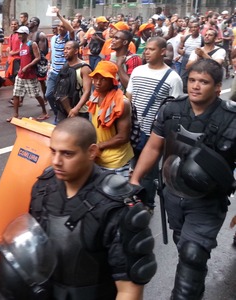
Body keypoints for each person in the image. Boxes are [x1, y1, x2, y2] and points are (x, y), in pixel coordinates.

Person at [2, 117, 156, 299]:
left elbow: (129, 290)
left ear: (91, 152)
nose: (56, 161)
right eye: (53, 152)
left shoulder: (117, 206)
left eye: (67, 154)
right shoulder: (44, 187)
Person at [130, 59, 236, 300]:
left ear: (218, 87)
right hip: (173, 196)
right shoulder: (171, 109)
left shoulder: (231, 118)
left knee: (192, 253)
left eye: (204, 82)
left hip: (208, 202)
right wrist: (135, 179)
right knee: (185, 249)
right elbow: (154, 146)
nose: (196, 86)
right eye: (192, 80)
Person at [126, 37, 183, 212]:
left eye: (151, 49)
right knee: (132, 166)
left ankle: (147, 204)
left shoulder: (173, 78)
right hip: (133, 130)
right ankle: (134, 198)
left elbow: (175, 110)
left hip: (154, 134)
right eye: (146, 49)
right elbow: (129, 97)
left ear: (163, 51)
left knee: (148, 173)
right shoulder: (137, 71)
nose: (146, 52)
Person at [87, 61, 133, 178]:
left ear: (112, 81)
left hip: (115, 161)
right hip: (98, 157)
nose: (97, 82)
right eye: (96, 78)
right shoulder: (95, 96)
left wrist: (99, 146)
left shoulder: (122, 103)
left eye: (103, 79)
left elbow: (123, 137)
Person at [7, 26, 48, 122]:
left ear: (26, 34)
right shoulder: (21, 45)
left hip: (30, 75)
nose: (19, 36)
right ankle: (16, 115)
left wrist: (27, 67)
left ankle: (44, 112)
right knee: (16, 94)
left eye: (21, 34)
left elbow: (37, 57)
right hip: (21, 75)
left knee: (36, 94)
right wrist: (21, 68)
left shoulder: (32, 44)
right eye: (18, 34)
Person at [45, 8, 74, 123]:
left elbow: (71, 30)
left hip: (64, 73)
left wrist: (59, 15)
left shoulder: (68, 39)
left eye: (63, 26)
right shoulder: (54, 38)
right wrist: (50, 64)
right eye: (59, 26)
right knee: (49, 95)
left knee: (63, 97)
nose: (61, 28)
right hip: (53, 72)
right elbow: (53, 53)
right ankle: (58, 114)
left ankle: (65, 116)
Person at [60, 40, 92, 119]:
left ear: (76, 51)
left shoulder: (84, 68)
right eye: (64, 49)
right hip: (65, 109)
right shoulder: (65, 66)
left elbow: (87, 91)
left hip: (80, 111)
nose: (65, 51)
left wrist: (76, 109)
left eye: (68, 49)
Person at [178, 21, 203, 92]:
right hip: (185, 58)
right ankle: (185, 94)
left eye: (195, 27)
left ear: (199, 28)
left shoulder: (202, 39)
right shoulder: (186, 38)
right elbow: (179, 48)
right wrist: (181, 51)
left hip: (196, 60)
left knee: (194, 77)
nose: (193, 29)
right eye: (192, 27)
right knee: (183, 78)